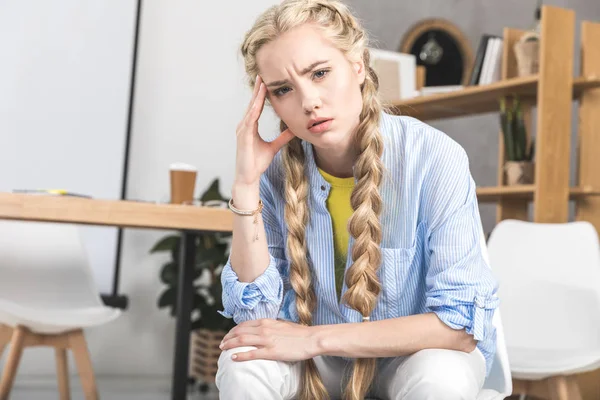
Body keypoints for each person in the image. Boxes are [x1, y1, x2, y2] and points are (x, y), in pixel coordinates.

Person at [215, 0, 499, 399]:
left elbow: (457, 327)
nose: (309, 101)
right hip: (323, 367)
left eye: (320, 73)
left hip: (412, 356)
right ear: (270, 103)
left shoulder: (433, 157)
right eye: (283, 89)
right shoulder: (274, 173)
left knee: (442, 376)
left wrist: (316, 340)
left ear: (358, 65)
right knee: (245, 356)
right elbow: (255, 319)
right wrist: (246, 185)